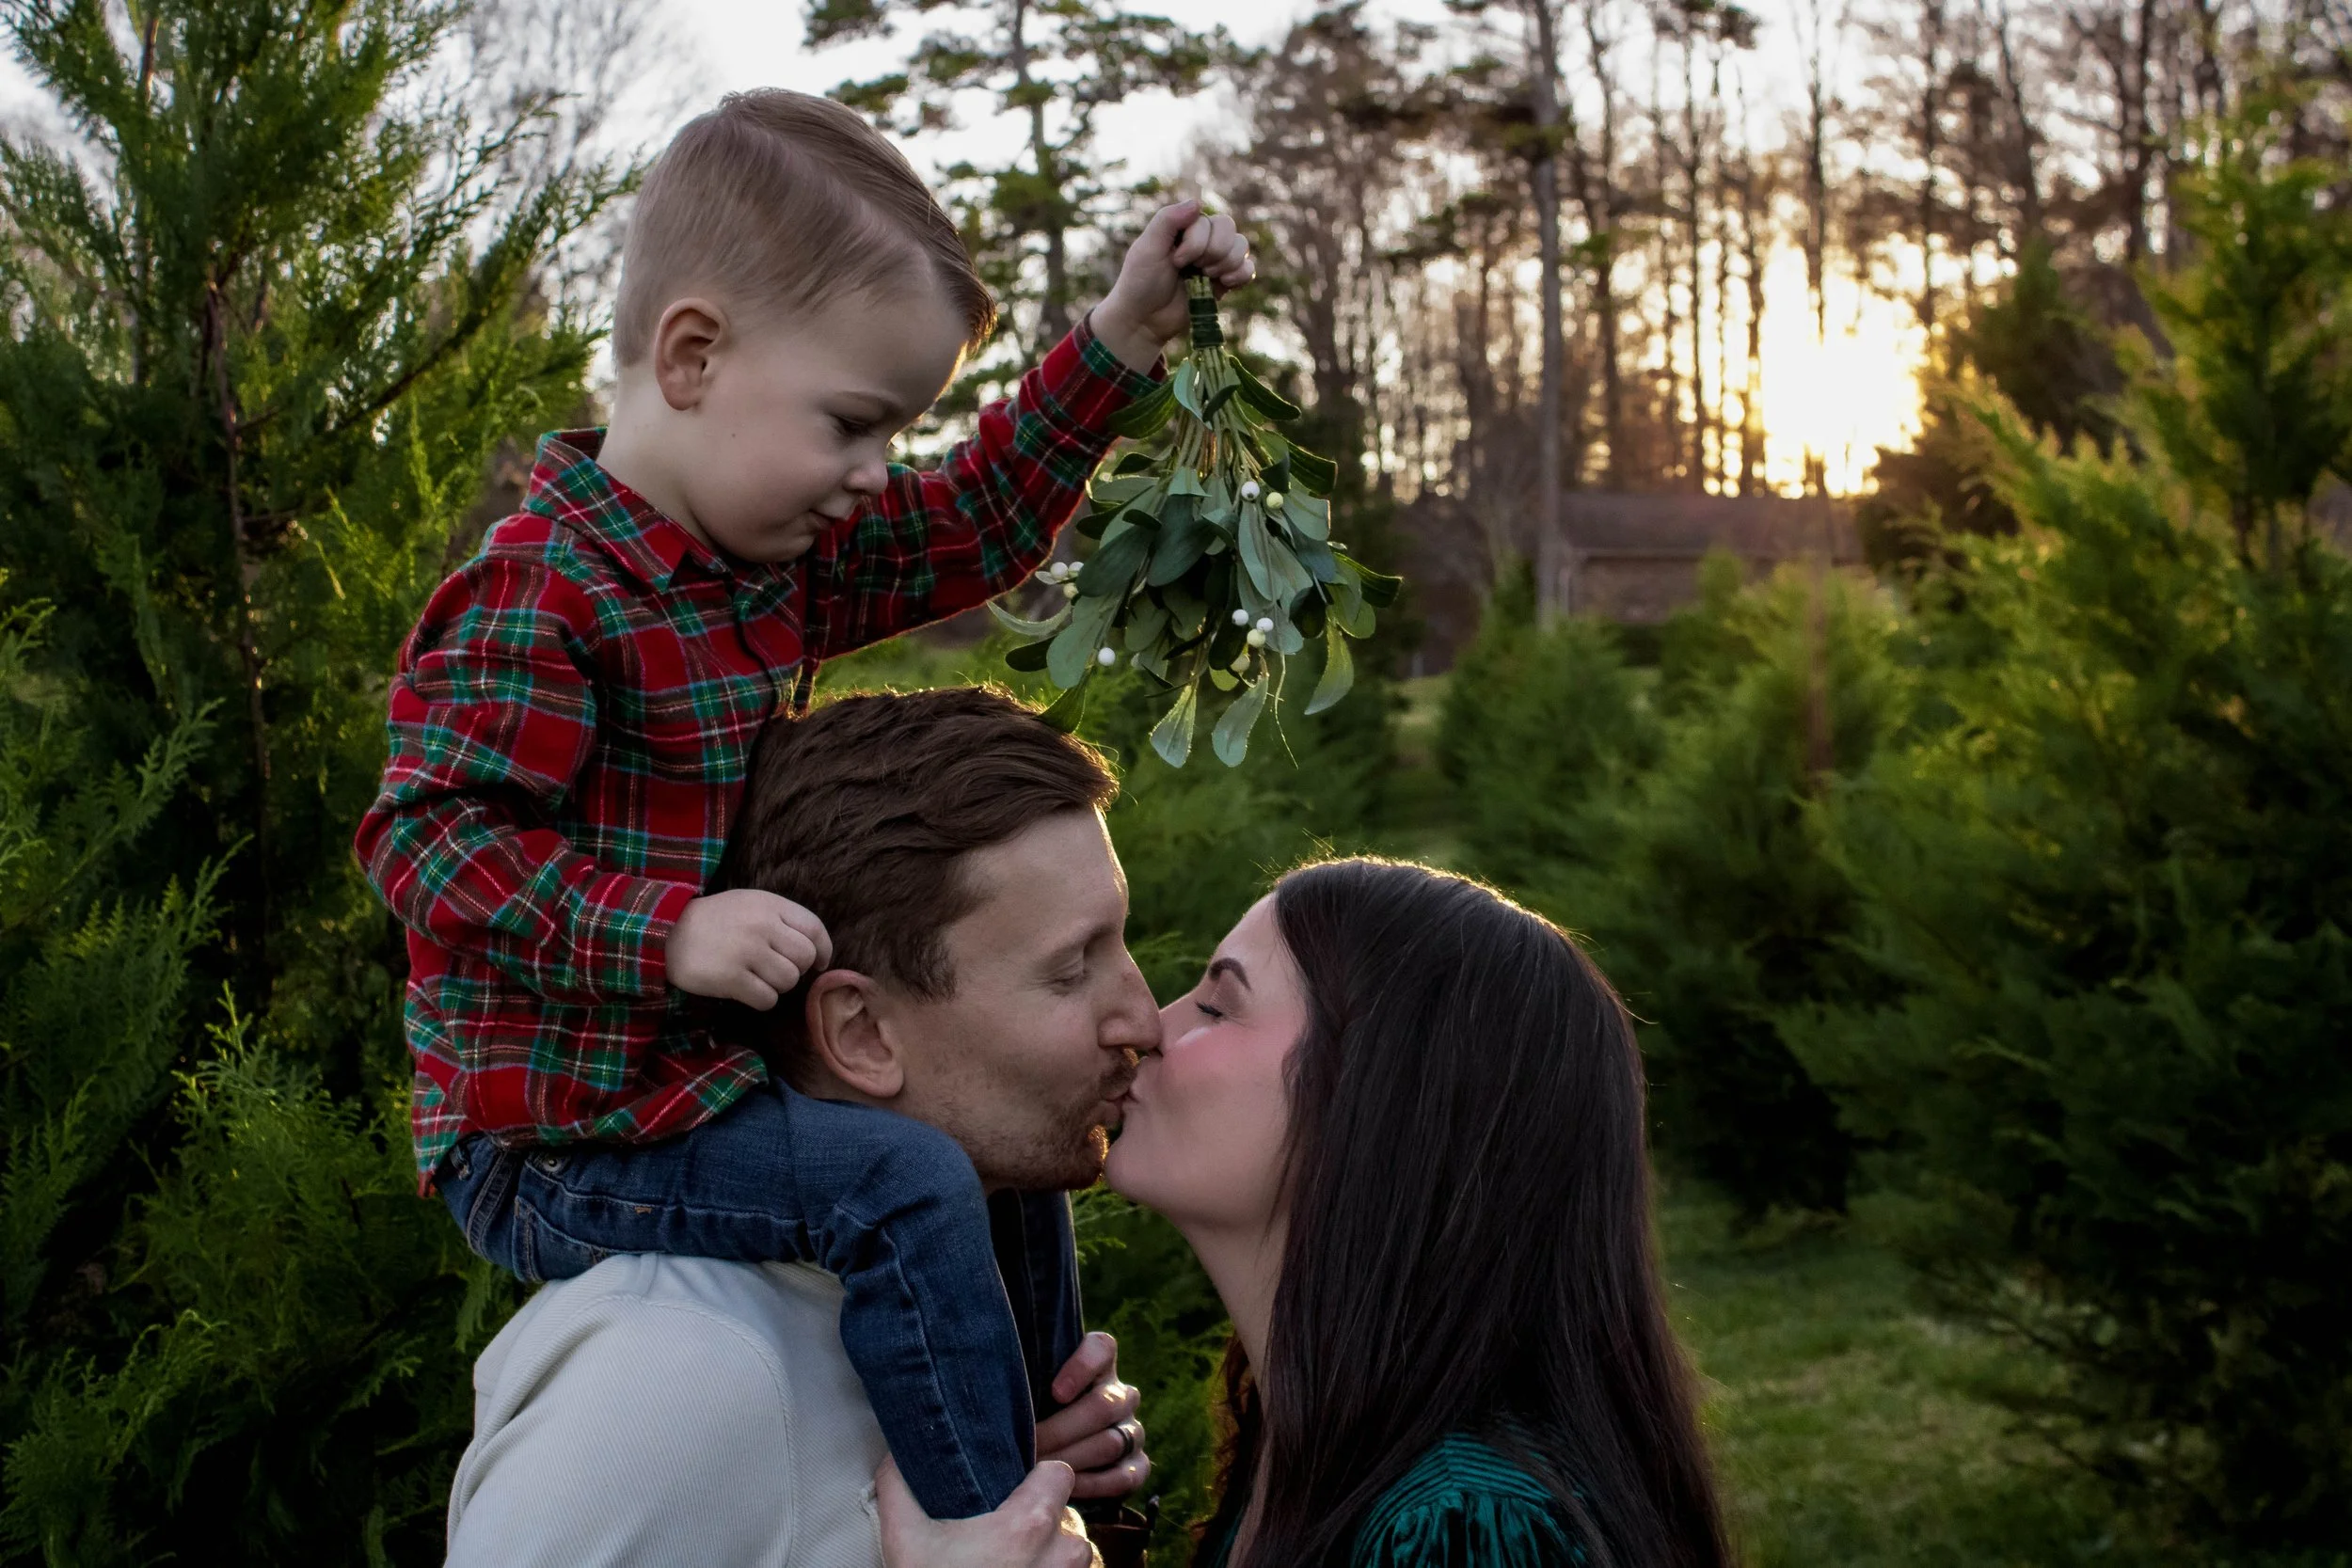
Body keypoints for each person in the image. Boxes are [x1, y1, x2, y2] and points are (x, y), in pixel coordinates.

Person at [353, 87, 1252, 1522]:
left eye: (890, 430)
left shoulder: (764, 557)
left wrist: (1122, 341)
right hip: (561, 1138)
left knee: (990, 1153)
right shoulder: (543, 593)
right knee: (902, 1180)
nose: (871, 472)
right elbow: (430, 841)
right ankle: (992, 1527)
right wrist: (665, 932)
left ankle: (1045, 1460)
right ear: (694, 354)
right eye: (852, 422)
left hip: (687, 1094)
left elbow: (976, 518)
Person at [446, 687, 1162, 1567]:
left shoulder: (925, 1300)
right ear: (860, 1031)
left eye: (1122, 942)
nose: (1145, 1017)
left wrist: (1026, 1474)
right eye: (1069, 971)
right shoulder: (670, 1380)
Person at [1104, 859, 1734, 1568]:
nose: (1150, 1027)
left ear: (1378, 1102)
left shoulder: (1463, 1527)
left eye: (1218, 1005)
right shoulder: (1307, 1457)